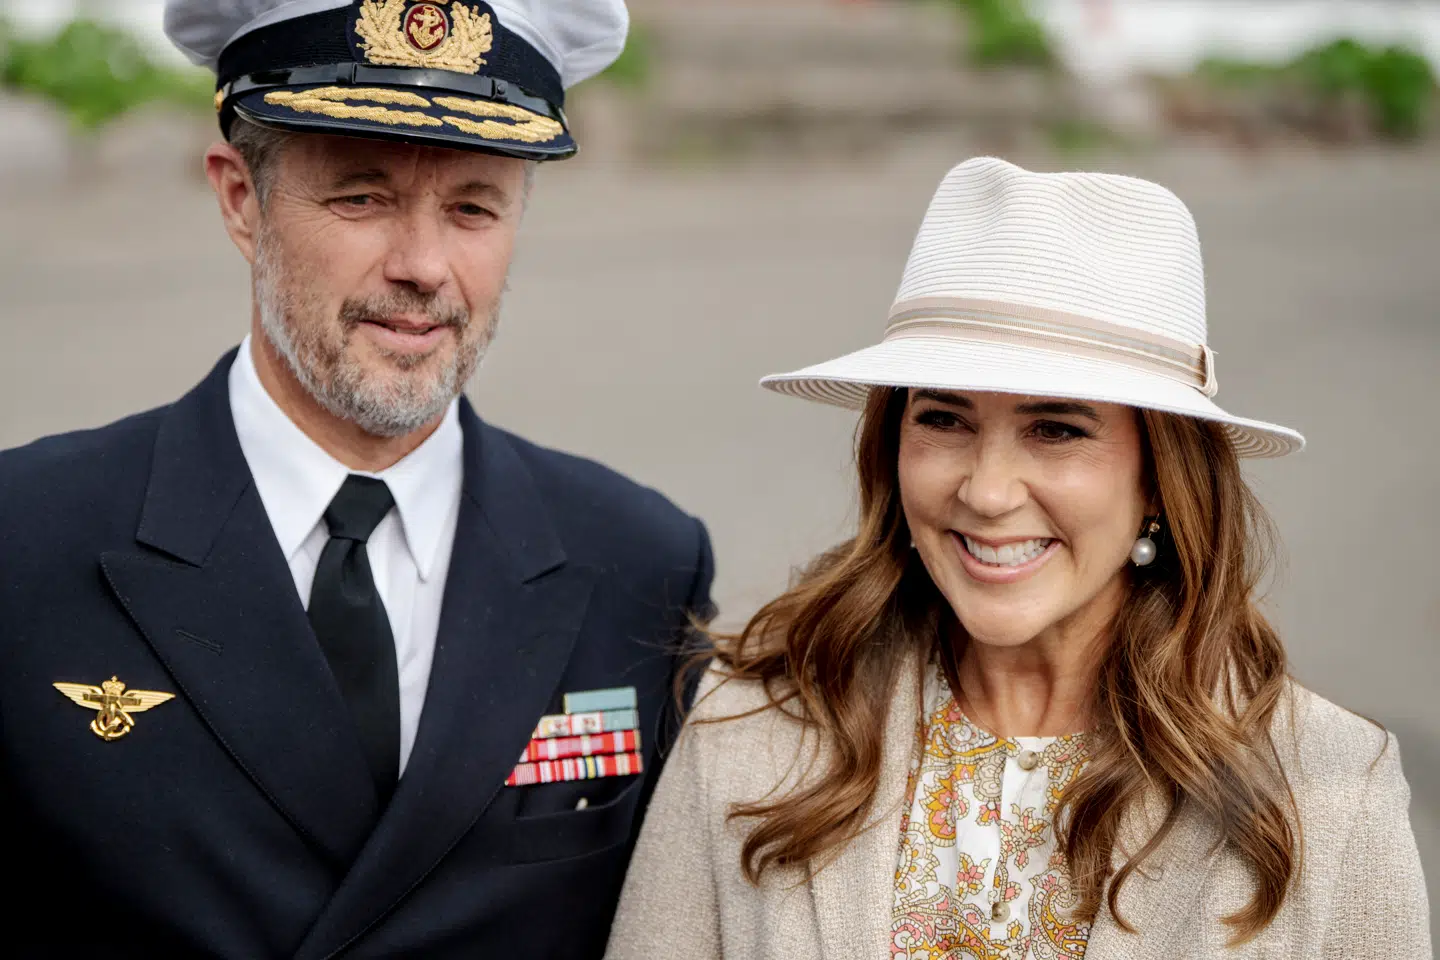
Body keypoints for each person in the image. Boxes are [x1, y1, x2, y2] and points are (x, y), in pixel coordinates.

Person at [0, 1, 712, 956]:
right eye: (360, 198)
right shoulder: (25, 541)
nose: (423, 267)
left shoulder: (641, 563)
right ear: (239, 200)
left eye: (472, 206)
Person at [606, 158, 1430, 959]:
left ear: (1160, 479)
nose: (989, 491)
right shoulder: (751, 722)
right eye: (944, 419)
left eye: (1057, 430)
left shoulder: (1330, 787)